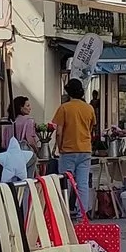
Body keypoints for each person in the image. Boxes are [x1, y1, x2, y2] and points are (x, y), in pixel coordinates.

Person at [51, 78, 96, 214]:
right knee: (82, 183)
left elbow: (58, 131)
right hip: (85, 149)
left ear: (68, 91)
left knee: (66, 182)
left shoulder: (64, 108)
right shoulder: (89, 108)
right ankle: (83, 212)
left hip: (68, 150)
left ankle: (64, 211)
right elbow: (90, 128)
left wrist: (59, 147)